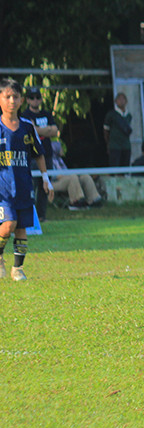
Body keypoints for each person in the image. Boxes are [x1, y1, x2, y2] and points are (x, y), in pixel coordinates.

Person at [0, 79, 52, 281]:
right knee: (8, 224)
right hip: (3, 189)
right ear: (0, 100)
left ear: (21, 100)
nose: (12, 100)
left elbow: (39, 154)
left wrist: (46, 178)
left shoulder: (27, 127)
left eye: (15, 97)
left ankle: (18, 269)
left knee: (21, 228)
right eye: (7, 97)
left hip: (23, 185)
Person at [21, 87, 58, 222]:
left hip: (46, 155)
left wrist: (37, 129)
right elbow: (30, 133)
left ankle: (42, 216)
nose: (35, 100)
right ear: (27, 100)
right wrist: (45, 130)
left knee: (45, 186)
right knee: (31, 186)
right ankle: (30, 217)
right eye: (32, 97)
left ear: (41, 99)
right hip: (31, 157)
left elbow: (54, 131)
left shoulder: (47, 114)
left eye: (37, 97)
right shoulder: (24, 116)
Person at [50, 141, 102, 208]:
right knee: (72, 177)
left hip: (66, 178)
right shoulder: (48, 161)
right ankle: (76, 201)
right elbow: (50, 176)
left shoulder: (60, 161)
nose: (63, 150)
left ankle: (93, 200)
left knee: (84, 176)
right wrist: (58, 176)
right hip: (53, 183)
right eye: (61, 148)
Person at [103, 92, 133, 168]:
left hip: (126, 146)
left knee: (125, 167)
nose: (121, 101)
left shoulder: (128, 116)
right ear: (115, 101)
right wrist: (108, 143)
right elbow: (106, 130)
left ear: (126, 101)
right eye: (119, 99)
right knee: (114, 166)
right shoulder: (111, 114)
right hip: (114, 145)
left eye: (123, 99)